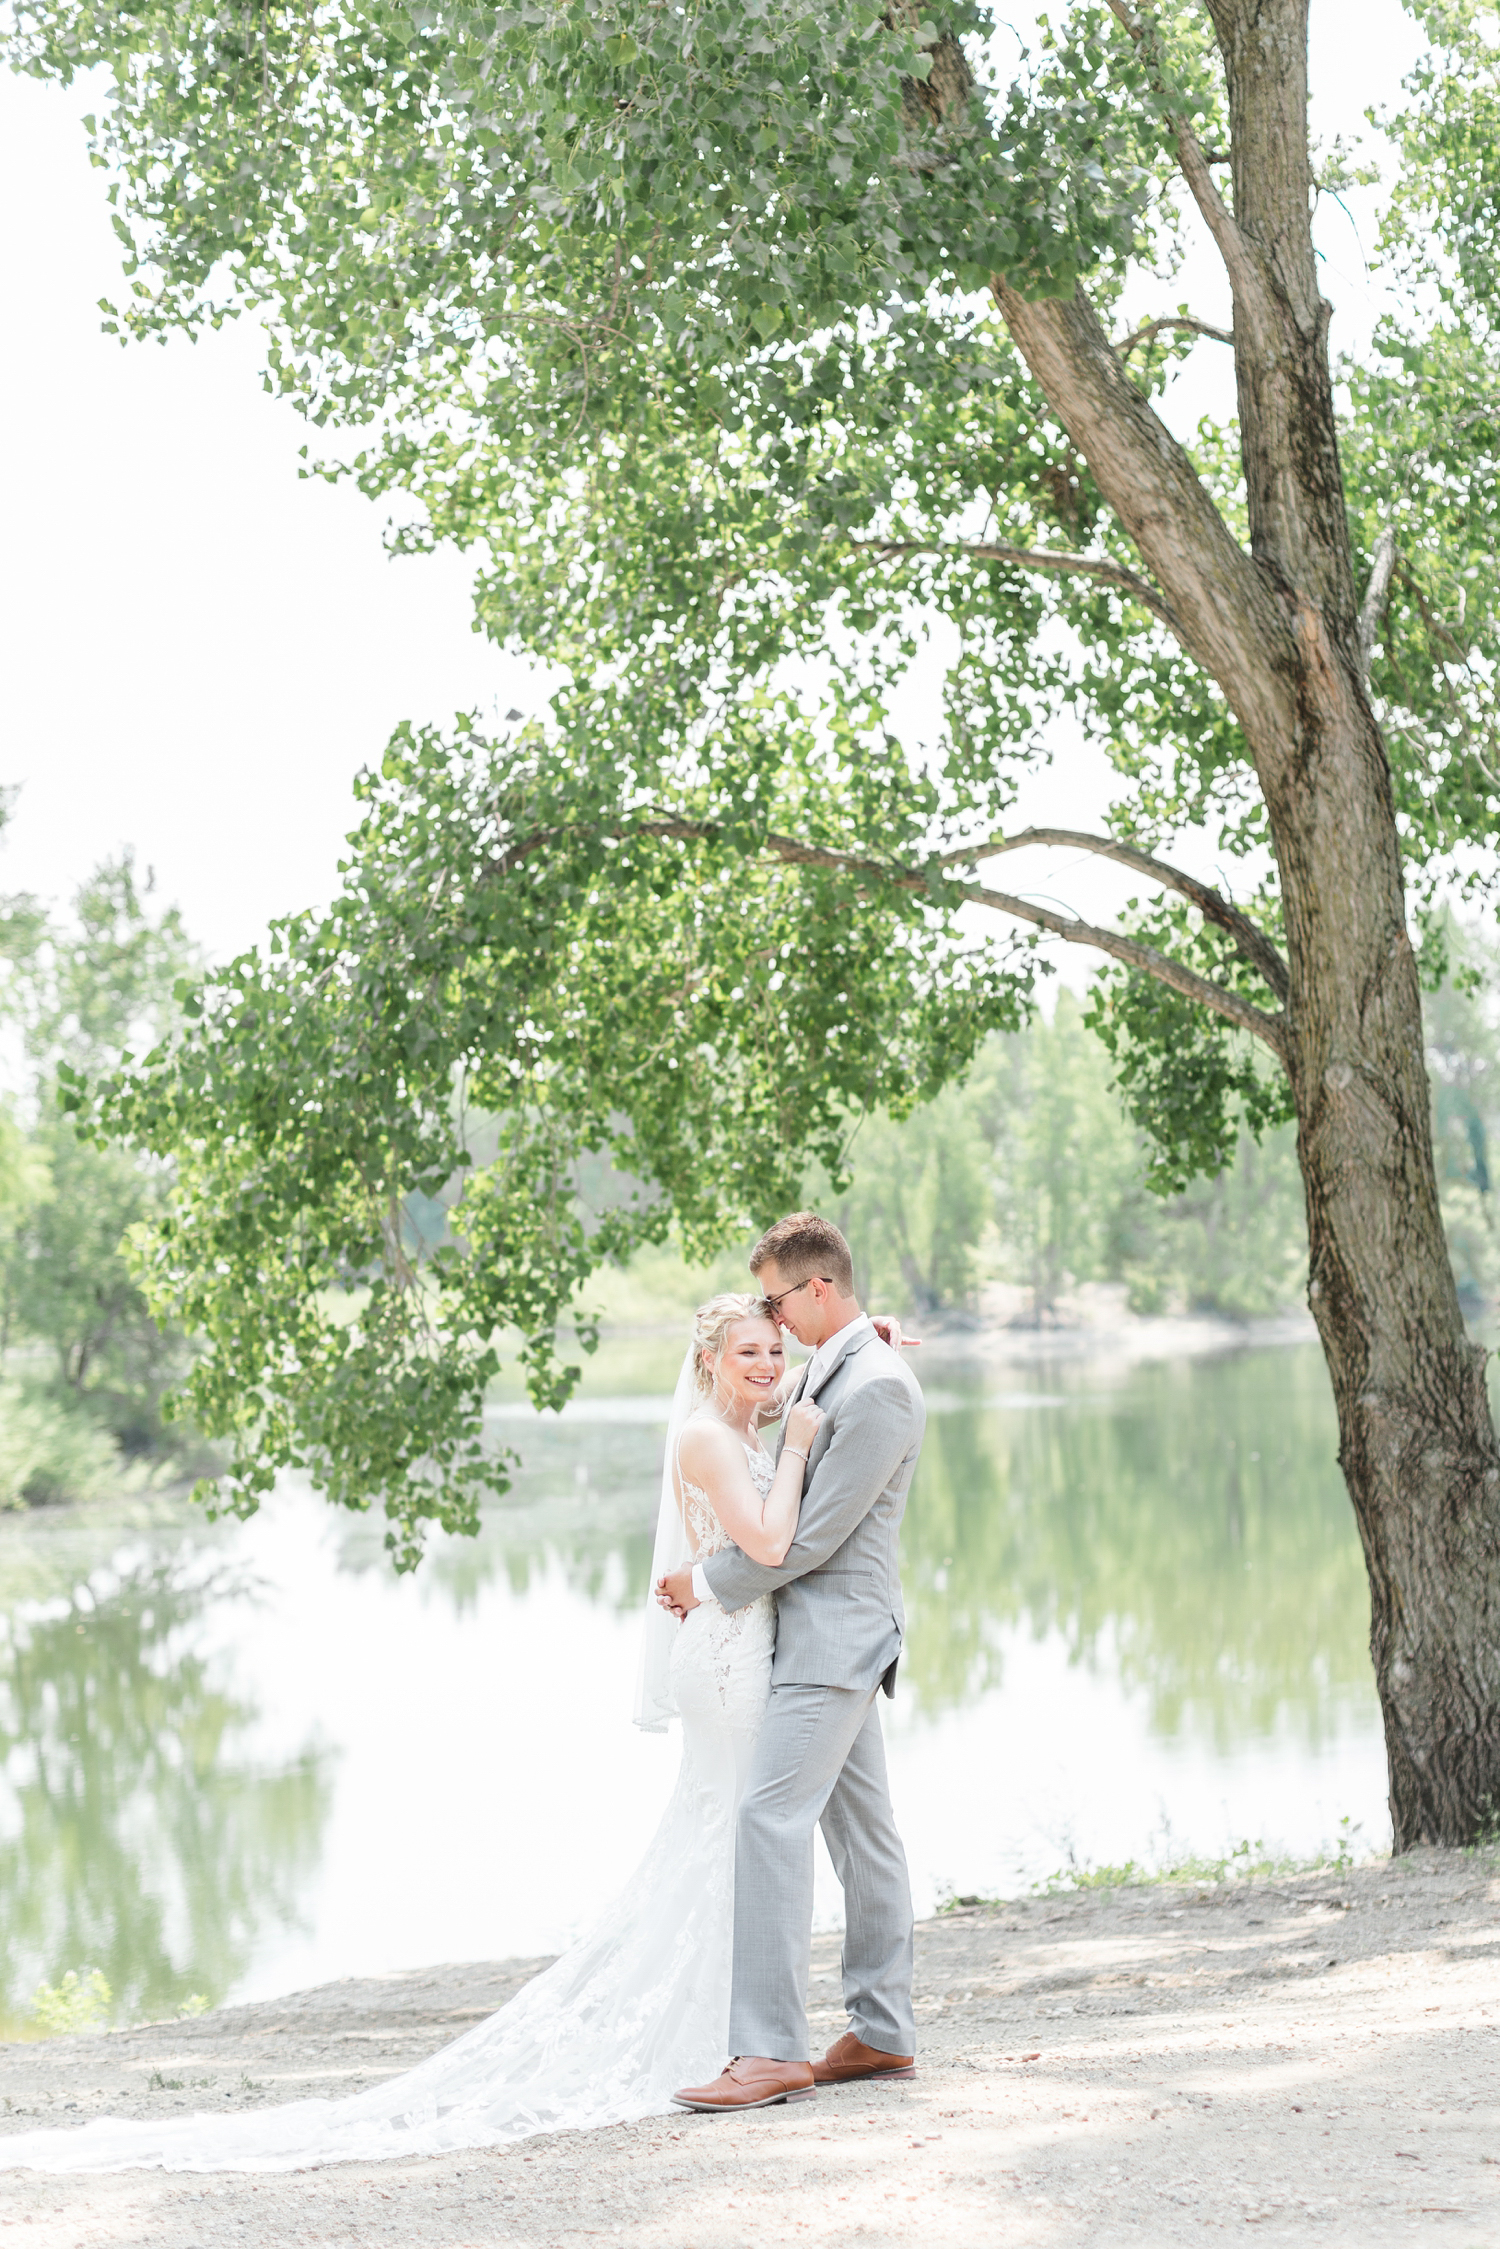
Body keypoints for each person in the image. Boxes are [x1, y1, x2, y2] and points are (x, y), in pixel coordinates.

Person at [0, 1271, 908, 2173]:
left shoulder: (771, 1402)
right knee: (740, 1827)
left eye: (776, 1342)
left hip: (764, 1647)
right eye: (748, 1347)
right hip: (727, 1658)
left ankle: (762, 2032)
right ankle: (755, 2042)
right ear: (708, 1359)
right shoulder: (715, 1436)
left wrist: (862, 1339)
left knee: (748, 1830)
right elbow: (774, 1542)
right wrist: (772, 1479)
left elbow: (808, 1386)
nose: (769, 1357)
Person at [659, 1210, 927, 2113]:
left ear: (818, 1288)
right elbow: (796, 1399)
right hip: (823, 1635)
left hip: (829, 1637)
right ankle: (882, 2031)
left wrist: (706, 1579)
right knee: (864, 1834)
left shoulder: (877, 1385)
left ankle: (770, 2050)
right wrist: (871, 1336)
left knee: (769, 1819)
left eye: (778, 1299)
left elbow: (808, 1539)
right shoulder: (848, 1362)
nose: (772, 1323)